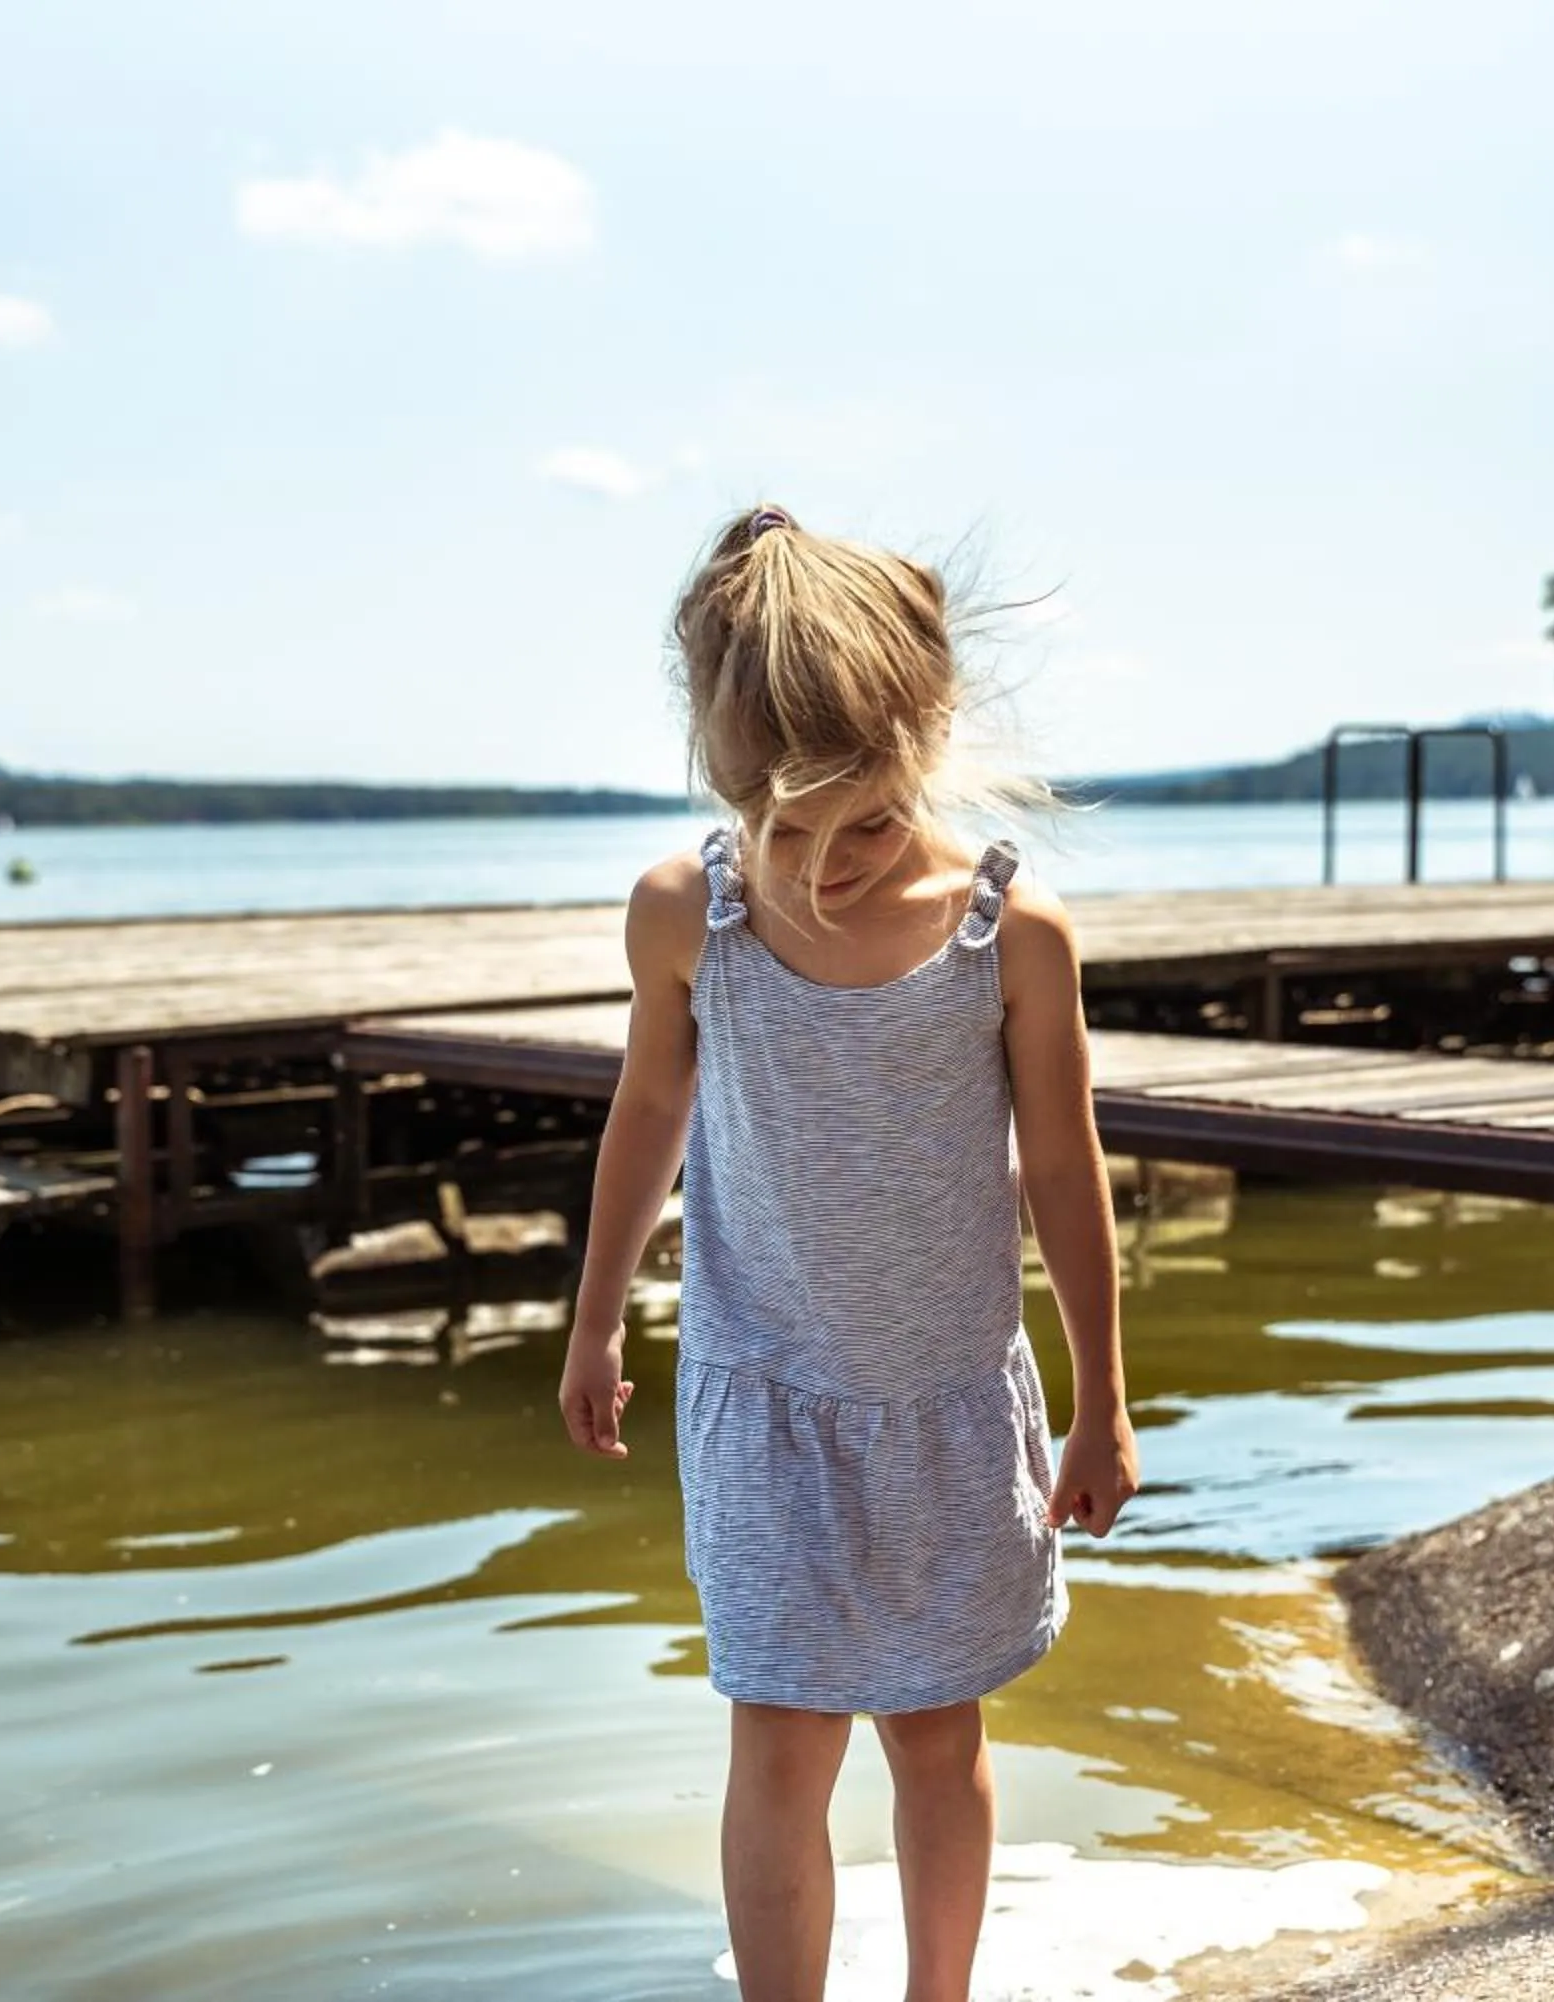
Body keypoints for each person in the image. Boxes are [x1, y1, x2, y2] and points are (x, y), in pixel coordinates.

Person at [558, 503, 1140, 2002]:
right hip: (767, 1399)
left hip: (947, 1402)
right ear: (726, 784)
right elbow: (649, 1106)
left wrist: (1101, 1398)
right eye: (787, 830)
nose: (822, 868)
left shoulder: (1012, 934)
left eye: (867, 822)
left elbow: (1067, 1171)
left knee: (940, 1736)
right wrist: (596, 1314)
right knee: (780, 1738)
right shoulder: (691, 914)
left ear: (930, 734)